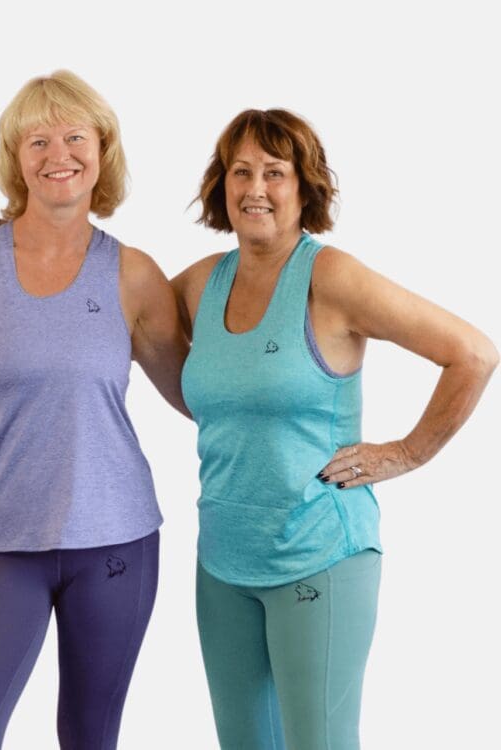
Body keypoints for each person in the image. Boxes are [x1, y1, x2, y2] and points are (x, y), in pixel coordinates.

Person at [170, 109, 499, 749]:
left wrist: (406, 453)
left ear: (305, 188)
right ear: (221, 185)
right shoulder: (200, 285)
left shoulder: (331, 277)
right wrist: (9, 227)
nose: (255, 189)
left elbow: (473, 353)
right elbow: (116, 300)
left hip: (317, 556)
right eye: (241, 172)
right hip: (224, 562)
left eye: (274, 172)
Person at [0, 70, 189, 750]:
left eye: (74, 137)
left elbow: (198, 395)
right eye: (36, 140)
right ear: (15, 158)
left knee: (89, 738)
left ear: (103, 152)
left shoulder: (133, 273)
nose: (56, 154)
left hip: (118, 544)